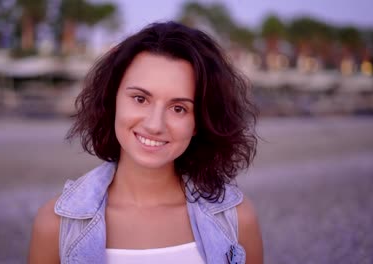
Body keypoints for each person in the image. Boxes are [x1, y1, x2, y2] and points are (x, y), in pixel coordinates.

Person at [28, 21, 263, 264]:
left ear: (199, 122)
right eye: (140, 99)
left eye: (179, 108)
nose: (155, 125)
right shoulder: (55, 226)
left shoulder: (236, 220)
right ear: (113, 99)